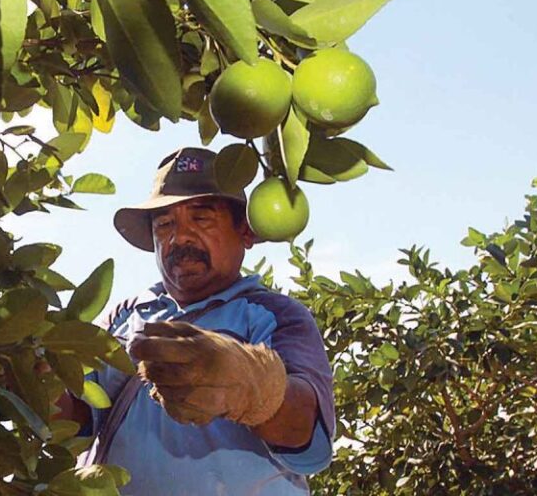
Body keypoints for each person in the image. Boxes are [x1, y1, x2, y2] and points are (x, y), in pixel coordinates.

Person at [61, 147, 335, 495]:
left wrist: (255, 388)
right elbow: (74, 422)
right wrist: (35, 376)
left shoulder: (274, 314)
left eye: (202, 218)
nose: (180, 237)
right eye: (164, 225)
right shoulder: (125, 315)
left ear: (244, 232)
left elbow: (306, 431)